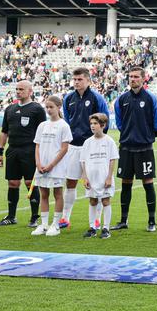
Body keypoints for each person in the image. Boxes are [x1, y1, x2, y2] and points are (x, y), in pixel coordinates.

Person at [113, 66, 157, 232]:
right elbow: (120, 123)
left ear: (143, 79)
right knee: (125, 182)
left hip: (144, 148)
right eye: (130, 76)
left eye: (136, 76)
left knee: (147, 182)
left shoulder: (151, 99)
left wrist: (146, 137)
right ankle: (123, 220)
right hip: (126, 147)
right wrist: (129, 135)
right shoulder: (121, 99)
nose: (133, 79)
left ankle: (151, 221)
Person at [61, 67, 110, 230]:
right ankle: (65, 217)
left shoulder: (97, 98)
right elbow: (67, 121)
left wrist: (98, 141)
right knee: (71, 181)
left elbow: (104, 120)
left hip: (93, 146)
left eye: (80, 79)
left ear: (88, 80)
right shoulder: (69, 98)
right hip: (74, 146)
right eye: (74, 79)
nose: (76, 82)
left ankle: (97, 219)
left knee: (97, 183)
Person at [0, 80, 46, 227]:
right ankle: (11, 216)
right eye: (17, 89)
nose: (18, 92)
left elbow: (42, 132)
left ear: (30, 91)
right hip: (13, 150)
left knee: (30, 183)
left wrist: (40, 154)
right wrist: (0, 151)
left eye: (21, 89)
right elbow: (4, 132)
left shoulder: (37, 109)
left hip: (29, 150)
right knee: (13, 182)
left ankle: (34, 217)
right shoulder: (10, 109)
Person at [30, 96, 73, 236]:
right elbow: (37, 146)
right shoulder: (42, 125)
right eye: (47, 107)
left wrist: (51, 165)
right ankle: (43, 225)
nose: (48, 110)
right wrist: (38, 163)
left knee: (57, 193)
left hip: (56, 167)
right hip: (41, 167)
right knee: (43, 193)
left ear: (58, 107)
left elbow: (64, 148)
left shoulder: (63, 125)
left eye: (51, 107)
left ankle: (55, 225)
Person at [80, 113, 118, 239]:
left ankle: (106, 228)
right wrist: (84, 177)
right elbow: (83, 161)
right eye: (91, 123)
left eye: (95, 123)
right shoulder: (87, 142)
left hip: (104, 177)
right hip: (91, 178)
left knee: (106, 201)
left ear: (103, 125)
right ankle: (92, 227)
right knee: (92, 201)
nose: (92, 126)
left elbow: (112, 160)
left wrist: (109, 177)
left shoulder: (109, 141)